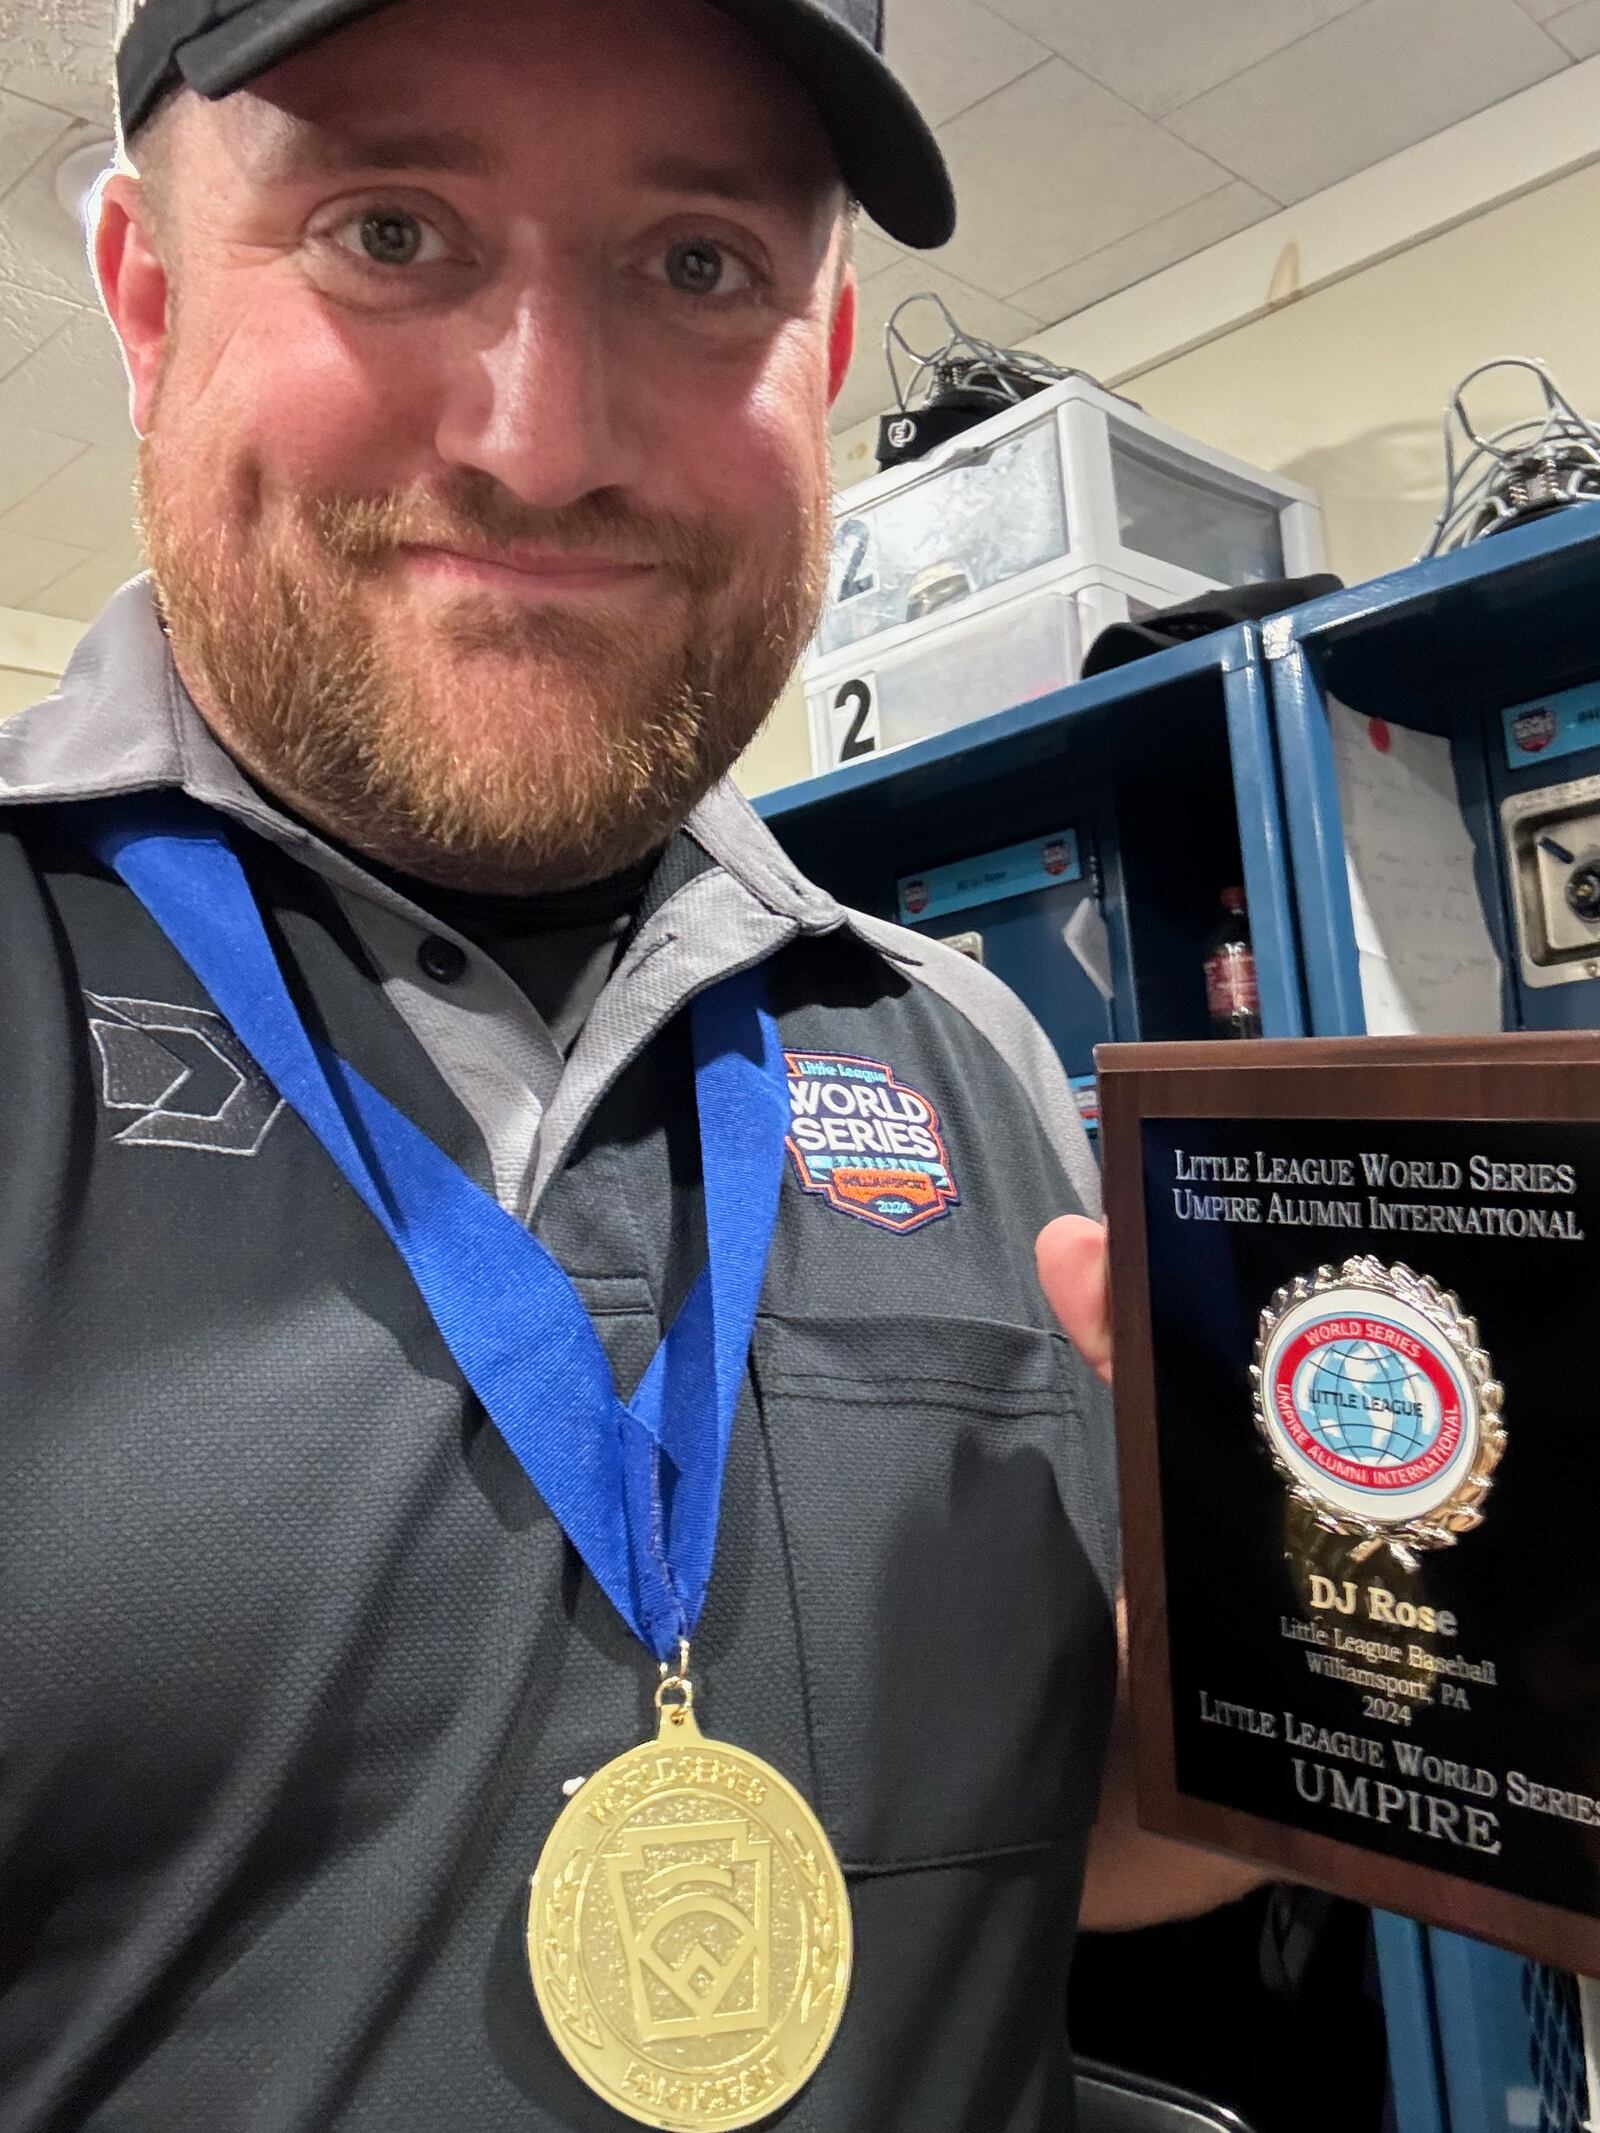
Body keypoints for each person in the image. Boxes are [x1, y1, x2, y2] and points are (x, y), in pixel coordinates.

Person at [0, 1, 1254, 2126]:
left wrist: (1380, 1644)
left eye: (695, 264)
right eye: (389, 230)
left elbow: (1074, 1830)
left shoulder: (965, 1061)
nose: (540, 436)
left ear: (824, 357)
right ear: (143, 295)